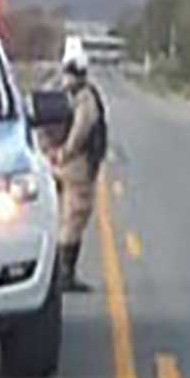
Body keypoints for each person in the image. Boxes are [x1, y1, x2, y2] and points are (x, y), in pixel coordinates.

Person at [49, 52, 107, 293]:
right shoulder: (84, 97)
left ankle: (55, 271)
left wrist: (50, 153)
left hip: (57, 164)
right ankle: (65, 274)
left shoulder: (55, 92)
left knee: (61, 215)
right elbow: (84, 126)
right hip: (78, 163)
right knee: (75, 216)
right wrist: (67, 152)